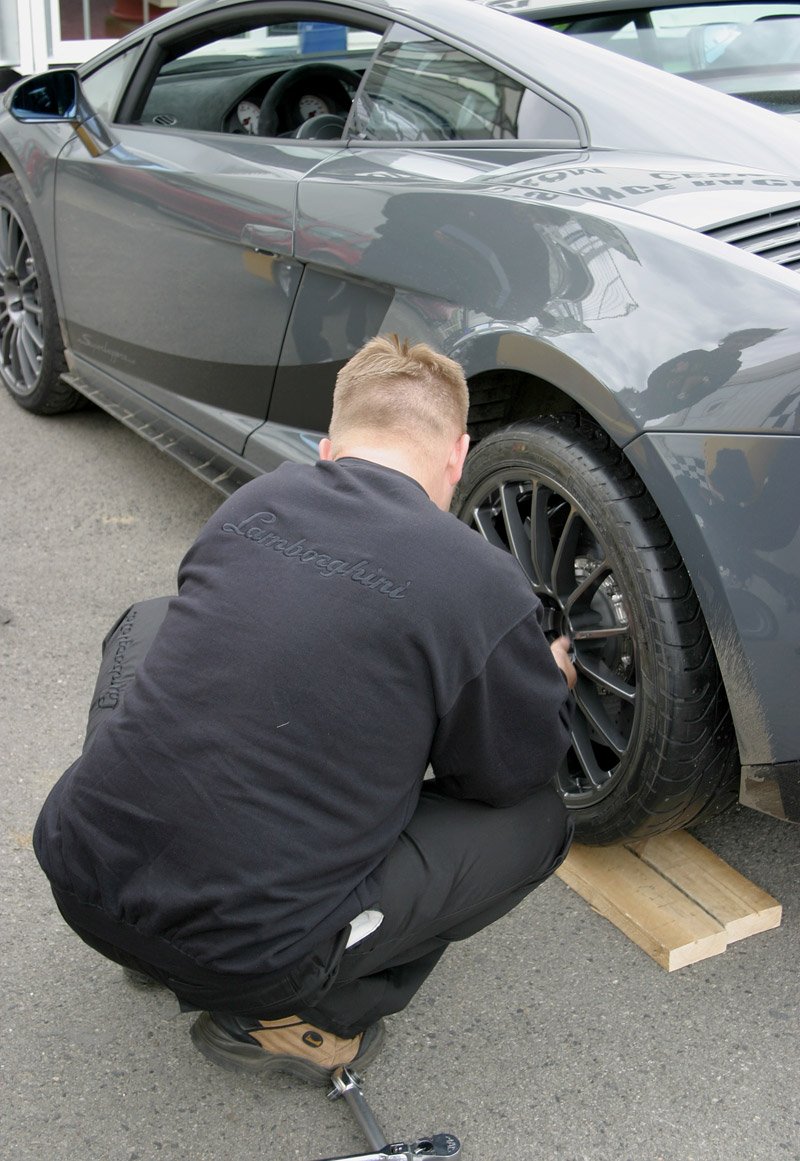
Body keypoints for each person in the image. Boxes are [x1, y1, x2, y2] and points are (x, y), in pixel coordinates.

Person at [33, 334, 576, 1085]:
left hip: (79, 875)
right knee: (538, 821)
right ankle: (309, 1020)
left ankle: (154, 921)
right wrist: (537, 682)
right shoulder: (481, 582)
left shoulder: (257, 500)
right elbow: (506, 774)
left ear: (328, 449)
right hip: (249, 953)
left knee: (150, 619)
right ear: (457, 455)